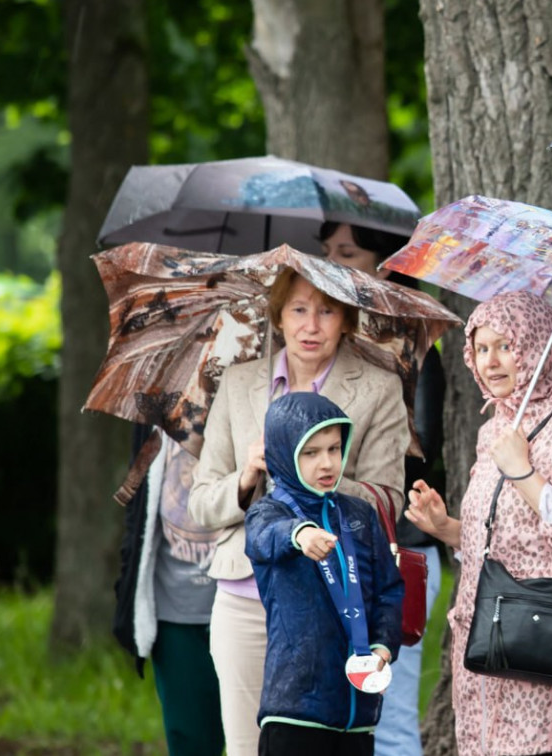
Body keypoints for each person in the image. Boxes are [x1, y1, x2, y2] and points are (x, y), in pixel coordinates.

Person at [189, 268, 409, 756]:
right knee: (248, 747)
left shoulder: (377, 387)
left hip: (334, 603)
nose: (312, 325)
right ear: (279, 318)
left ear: (347, 320)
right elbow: (202, 503)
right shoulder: (241, 381)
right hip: (244, 597)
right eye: (299, 309)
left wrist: (305, 464)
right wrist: (248, 477)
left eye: (327, 311)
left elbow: (386, 498)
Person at [404, 292, 552, 756]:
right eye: (481, 348)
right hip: (485, 639)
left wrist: (522, 471)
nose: (490, 361)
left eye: (506, 346)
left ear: (536, 348)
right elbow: (503, 534)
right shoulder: (494, 428)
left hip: (534, 638)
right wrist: (449, 528)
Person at [320, 220, 446, 756]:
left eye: (346, 252)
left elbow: (419, 448)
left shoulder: (411, 352)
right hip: (325, 550)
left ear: (385, 265)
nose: (330, 261)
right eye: (325, 251)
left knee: (387, 725)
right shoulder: (319, 352)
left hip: (393, 556)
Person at [244, 391, 404, 755]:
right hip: (294, 712)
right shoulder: (269, 513)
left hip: (358, 712)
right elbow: (262, 538)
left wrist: (383, 644)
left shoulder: (361, 515)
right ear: (284, 454)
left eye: (334, 449)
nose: (327, 463)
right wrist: (299, 534)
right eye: (311, 453)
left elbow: (389, 592)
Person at [113, 426, 226, 756]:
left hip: (250, 606)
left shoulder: (259, 390)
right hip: (174, 611)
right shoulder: (154, 414)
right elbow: (138, 507)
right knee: (190, 740)